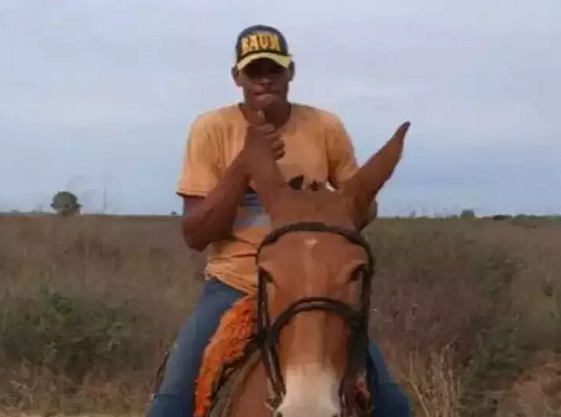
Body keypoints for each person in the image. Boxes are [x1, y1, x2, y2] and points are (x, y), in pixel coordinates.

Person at [147, 24, 411, 417]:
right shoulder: (212, 129)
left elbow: (360, 210)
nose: (265, 78)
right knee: (172, 403)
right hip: (234, 285)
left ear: (291, 72)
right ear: (237, 77)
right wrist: (243, 167)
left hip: (316, 286)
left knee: (392, 404)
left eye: (274, 68)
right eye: (254, 71)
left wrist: (335, 208)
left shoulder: (325, 127)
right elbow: (196, 234)